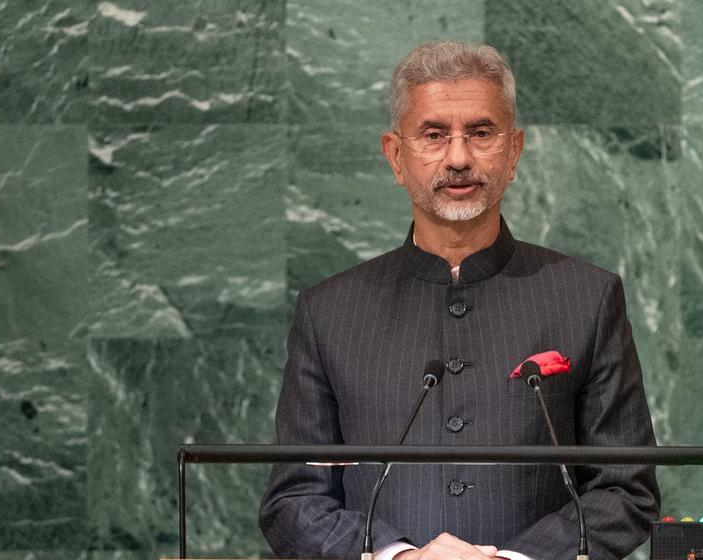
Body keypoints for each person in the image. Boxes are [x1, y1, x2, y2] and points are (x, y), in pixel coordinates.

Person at [260, 41, 659, 560]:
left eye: (481, 132)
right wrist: (399, 557)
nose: (459, 157)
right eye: (433, 134)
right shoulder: (328, 311)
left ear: (514, 152)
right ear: (395, 156)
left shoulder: (588, 296)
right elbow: (294, 500)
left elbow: (626, 489)